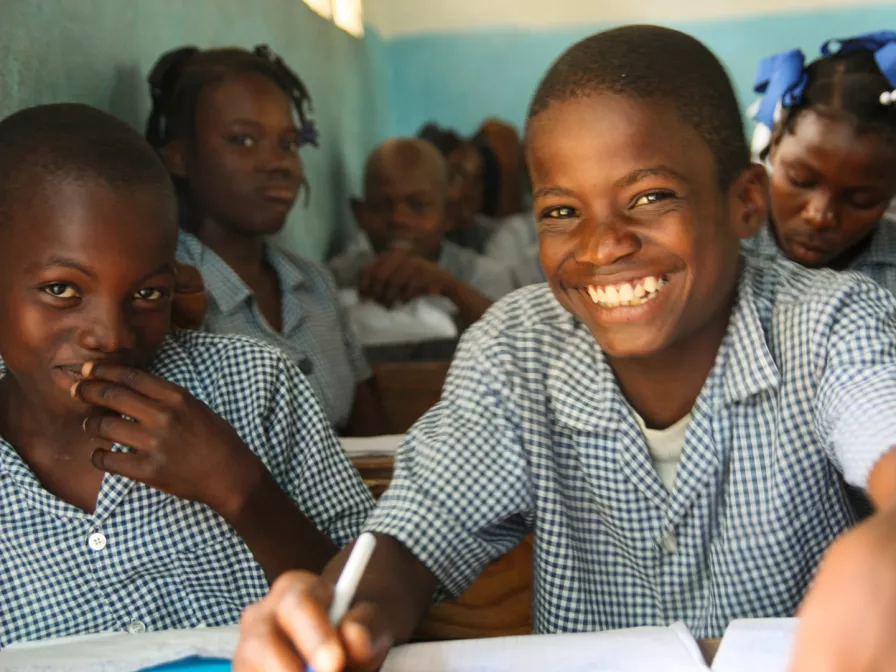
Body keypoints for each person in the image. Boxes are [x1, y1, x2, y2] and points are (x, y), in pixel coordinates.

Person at [234, 26, 896, 672]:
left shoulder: (829, 321)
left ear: (745, 202)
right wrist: (341, 614)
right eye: (560, 211)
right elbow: (417, 533)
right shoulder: (517, 349)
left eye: (650, 197)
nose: (602, 245)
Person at [0, 103, 374, 647]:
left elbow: (372, 609)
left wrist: (243, 491)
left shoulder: (255, 386)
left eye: (147, 294)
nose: (110, 335)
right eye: (62, 290)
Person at [145, 45, 384, 435]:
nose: (278, 163)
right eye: (243, 140)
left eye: (288, 144)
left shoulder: (316, 285)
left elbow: (371, 437)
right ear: (179, 157)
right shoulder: (168, 294)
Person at [745, 33, 896, 292]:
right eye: (800, 181)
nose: (819, 217)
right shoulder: (720, 249)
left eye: (861, 201)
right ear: (775, 142)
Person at [328, 138, 515, 327]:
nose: (398, 219)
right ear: (360, 214)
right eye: (381, 206)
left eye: (418, 205)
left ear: (448, 215)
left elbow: (516, 339)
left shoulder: (483, 277)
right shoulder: (337, 279)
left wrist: (449, 287)